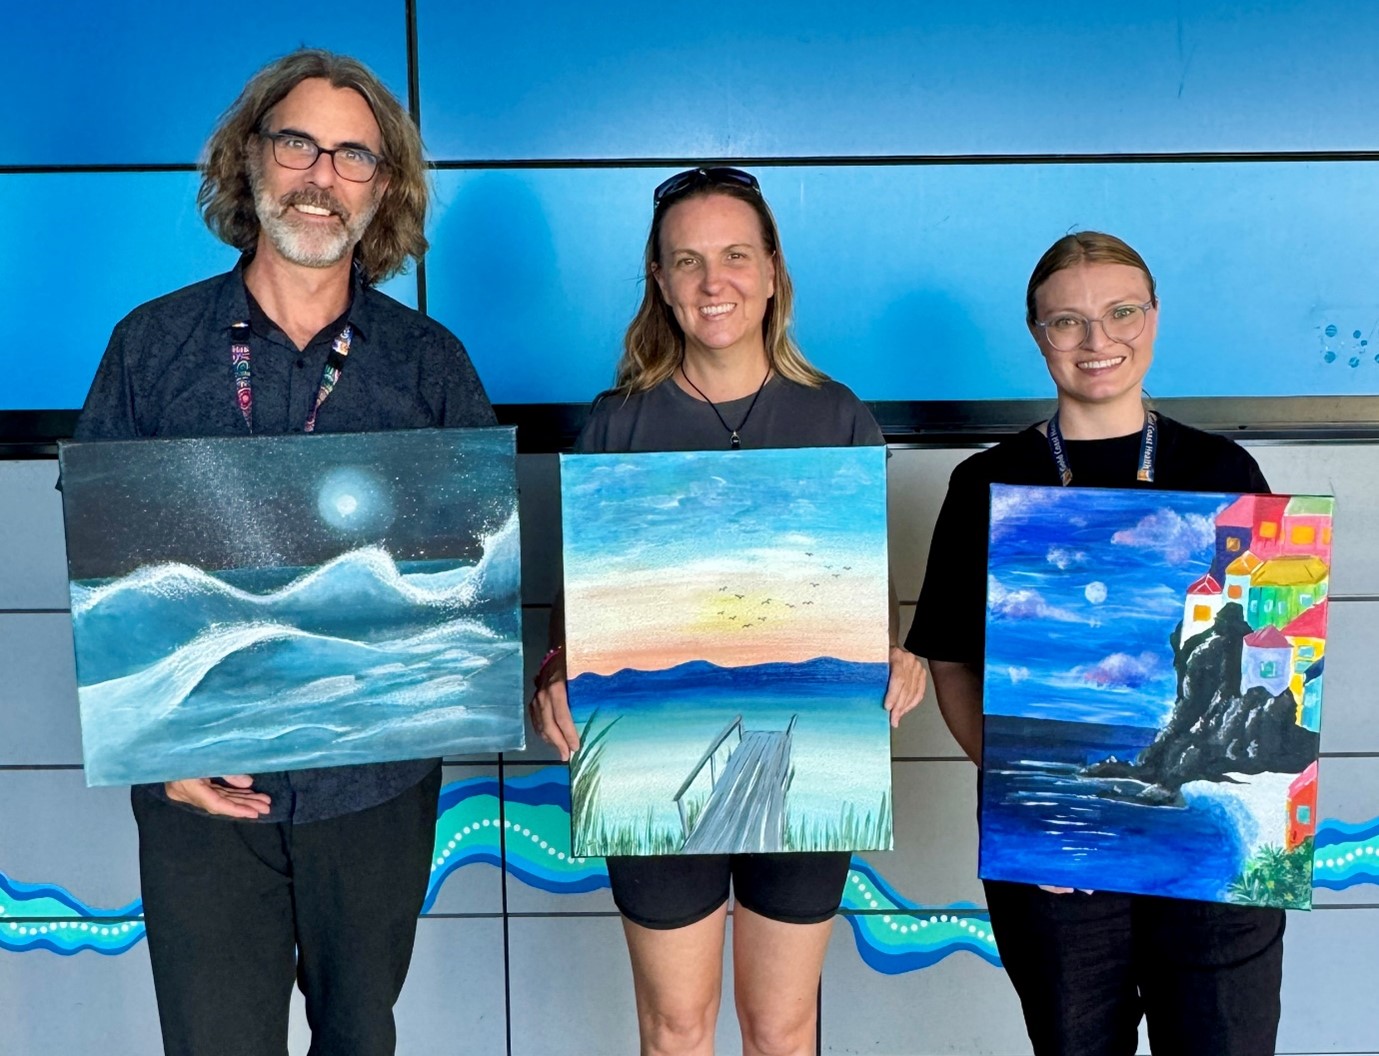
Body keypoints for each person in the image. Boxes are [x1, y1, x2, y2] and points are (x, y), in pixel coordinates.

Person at [74, 49, 495, 1055]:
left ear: (382, 187)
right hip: (200, 789)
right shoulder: (151, 347)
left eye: (354, 156)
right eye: (298, 143)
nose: (321, 177)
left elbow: (479, 568)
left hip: (375, 785)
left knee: (359, 1039)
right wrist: (161, 750)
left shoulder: (429, 366)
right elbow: (102, 567)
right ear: (249, 157)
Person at [529, 166, 927, 1056]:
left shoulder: (838, 420)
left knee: (782, 1030)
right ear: (661, 282)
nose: (715, 282)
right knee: (676, 1030)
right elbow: (574, 614)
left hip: (815, 756)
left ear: (773, 270)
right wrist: (552, 673)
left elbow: (865, 605)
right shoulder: (615, 426)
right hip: (648, 758)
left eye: (736, 256)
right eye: (689, 261)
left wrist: (896, 656)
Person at [907, 231, 1283, 1055]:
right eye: (1066, 321)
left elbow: (1274, 644)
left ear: (1153, 317)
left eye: (1120, 313)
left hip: (1213, 860)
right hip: (1054, 864)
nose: (1096, 340)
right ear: (1036, 333)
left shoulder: (1224, 470)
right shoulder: (982, 483)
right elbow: (950, 661)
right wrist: (1027, 800)